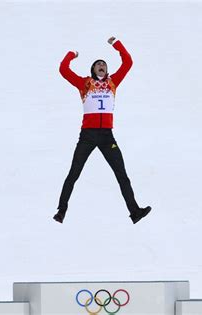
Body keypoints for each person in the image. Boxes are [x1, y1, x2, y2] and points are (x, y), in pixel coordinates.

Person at [53, 36, 151, 224]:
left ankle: (135, 211)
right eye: (98, 64)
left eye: (104, 64)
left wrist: (116, 44)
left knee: (121, 174)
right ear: (93, 69)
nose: (101, 66)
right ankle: (61, 210)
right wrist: (71, 54)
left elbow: (128, 62)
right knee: (74, 172)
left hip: (107, 136)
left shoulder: (113, 82)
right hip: (88, 136)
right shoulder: (84, 83)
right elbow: (63, 70)